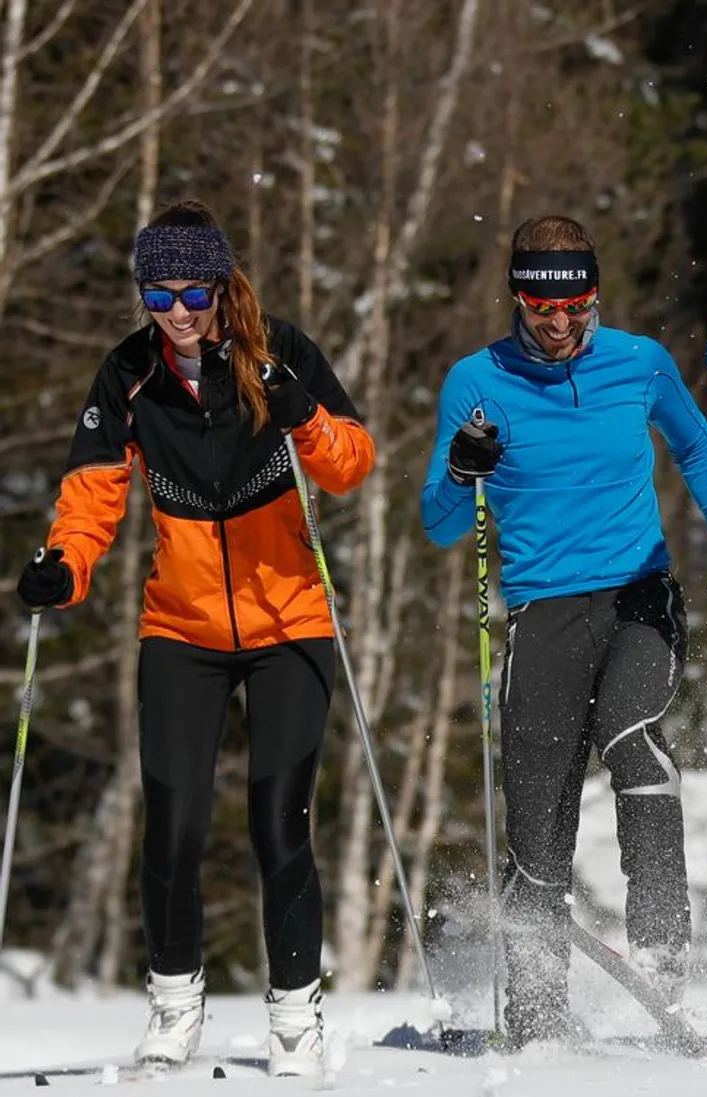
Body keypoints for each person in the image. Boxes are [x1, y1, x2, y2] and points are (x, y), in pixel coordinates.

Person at [13, 200, 374, 1075]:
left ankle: (295, 1015)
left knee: (277, 817)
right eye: (157, 291)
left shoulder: (277, 352)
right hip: (182, 625)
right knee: (171, 819)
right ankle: (175, 1002)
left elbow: (351, 461)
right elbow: (92, 493)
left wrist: (303, 415)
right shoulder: (128, 373)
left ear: (219, 284)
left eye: (190, 289)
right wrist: (64, 566)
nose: (175, 309)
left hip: (289, 618)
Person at [419, 214, 707, 1047]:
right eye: (542, 308)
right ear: (517, 298)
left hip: (639, 597)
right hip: (544, 613)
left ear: (594, 295)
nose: (560, 324)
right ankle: (537, 1002)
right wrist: (463, 472)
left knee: (635, 739)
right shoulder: (477, 381)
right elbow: (441, 522)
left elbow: (694, 445)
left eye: (576, 305)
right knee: (539, 814)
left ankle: (660, 953)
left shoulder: (638, 363)